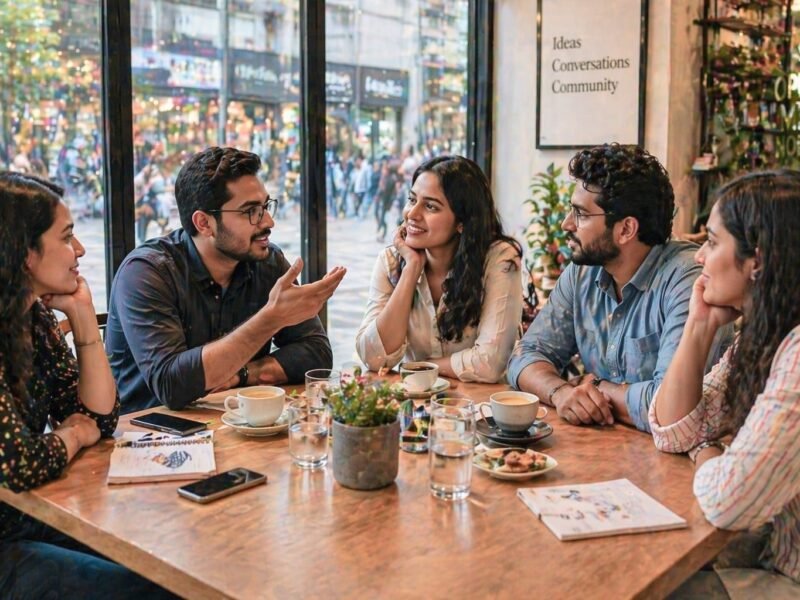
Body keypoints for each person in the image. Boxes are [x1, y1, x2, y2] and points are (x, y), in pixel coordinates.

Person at [0, 172, 174, 597]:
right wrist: (73, 433)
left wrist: (83, 317)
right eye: (67, 237)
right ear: (24, 252)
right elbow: (18, 465)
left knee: (159, 559)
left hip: (21, 519)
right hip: (9, 535)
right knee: (143, 586)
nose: (80, 250)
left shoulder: (33, 318)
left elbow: (100, 415)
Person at [507, 143, 731, 432]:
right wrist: (561, 393)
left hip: (683, 464)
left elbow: (670, 410)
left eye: (581, 215)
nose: (566, 225)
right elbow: (525, 356)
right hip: (608, 456)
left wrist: (597, 388)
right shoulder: (582, 272)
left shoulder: (687, 281)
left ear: (626, 229)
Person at [650, 170, 800, 598]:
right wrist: (699, 326)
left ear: (760, 259)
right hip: (771, 556)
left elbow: (727, 500)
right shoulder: (764, 332)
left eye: (713, 242)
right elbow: (673, 431)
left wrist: (708, 453)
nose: (698, 257)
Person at [106, 147, 346, 413]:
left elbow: (317, 354)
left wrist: (242, 374)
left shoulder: (266, 261)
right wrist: (270, 319)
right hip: (147, 436)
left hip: (233, 428)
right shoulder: (147, 273)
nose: (268, 221)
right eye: (250, 211)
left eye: (265, 206)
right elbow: (171, 386)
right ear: (204, 223)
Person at [356, 155, 523, 383]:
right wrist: (412, 269)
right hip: (416, 407)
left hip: (481, 408)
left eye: (430, 206)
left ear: (462, 221)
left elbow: (490, 363)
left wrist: (418, 367)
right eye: (412, 199)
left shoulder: (499, 258)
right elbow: (372, 357)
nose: (412, 214)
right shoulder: (392, 260)